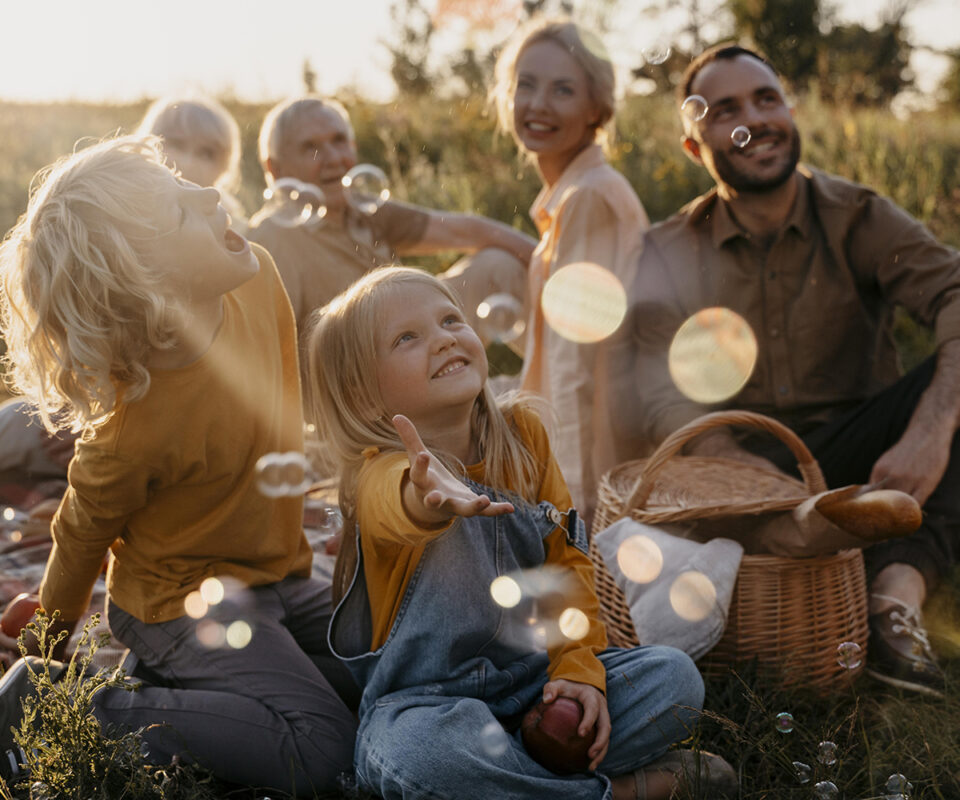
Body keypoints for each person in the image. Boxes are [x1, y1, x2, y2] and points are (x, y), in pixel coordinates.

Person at [0, 136, 356, 794]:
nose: (208, 192)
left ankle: (173, 686)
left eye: (182, 182)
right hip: (175, 605)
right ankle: (64, 708)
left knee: (391, 669)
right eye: (178, 210)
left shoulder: (259, 277)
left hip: (277, 575)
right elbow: (79, 538)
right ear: (142, 282)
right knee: (324, 749)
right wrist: (46, 653)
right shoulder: (130, 427)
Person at [305, 266, 737, 799]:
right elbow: (393, 504)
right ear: (365, 395)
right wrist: (427, 499)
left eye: (449, 320)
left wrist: (578, 672)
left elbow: (568, 566)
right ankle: (625, 791)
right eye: (407, 338)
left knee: (674, 678)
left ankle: (515, 779)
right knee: (414, 756)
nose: (443, 339)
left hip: (538, 686)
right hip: (428, 710)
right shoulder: (379, 472)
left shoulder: (524, 439)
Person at [624, 43, 960, 697]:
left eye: (766, 98)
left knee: (955, 388)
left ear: (791, 111)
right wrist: (723, 454)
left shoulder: (859, 216)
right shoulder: (667, 250)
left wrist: (931, 428)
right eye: (725, 110)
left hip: (863, 460)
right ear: (696, 148)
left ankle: (893, 603)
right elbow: (653, 381)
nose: (755, 119)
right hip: (744, 474)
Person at [490, 19, 650, 525]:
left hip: (597, 459)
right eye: (526, 84)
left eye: (563, 90)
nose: (537, 104)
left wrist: (572, 510)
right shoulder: (575, 196)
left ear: (595, 109)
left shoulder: (588, 200)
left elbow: (573, 367)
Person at [247, 95, 537, 335]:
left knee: (499, 265)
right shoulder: (272, 238)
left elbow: (463, 231)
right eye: (310, 147)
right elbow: (271, 351)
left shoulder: (361, 208)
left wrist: (554, 264)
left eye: (338, 141)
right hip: (355, 383)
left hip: (411, 345)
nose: (333, 158)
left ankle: (556, 378)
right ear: (276, 169)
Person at [136, 95, 248, 231]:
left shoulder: (236, 232)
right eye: (177, 145)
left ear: (224, 166)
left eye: (206, 153)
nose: (188, 162)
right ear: (150, 144)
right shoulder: (126, 212)